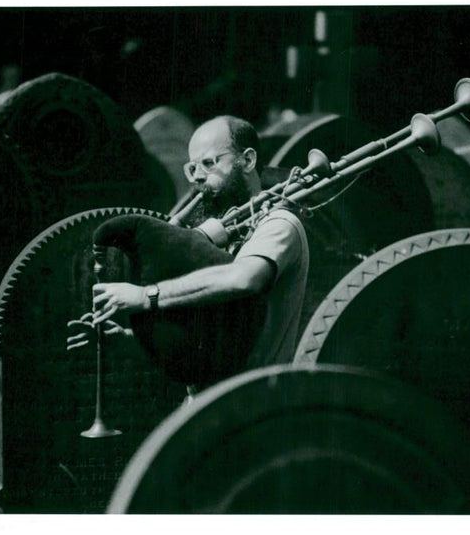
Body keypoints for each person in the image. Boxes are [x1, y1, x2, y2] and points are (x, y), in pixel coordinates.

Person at [68, 115, 309, 380]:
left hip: (253, 403)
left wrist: (146, 296)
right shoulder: (223, 231)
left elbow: (244, 278)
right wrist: (125, 342)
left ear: (248, 160)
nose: (198, 178)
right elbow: (207, 341)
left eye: (209, 164)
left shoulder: (279, 223)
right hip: (210, 404)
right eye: (192, 168)